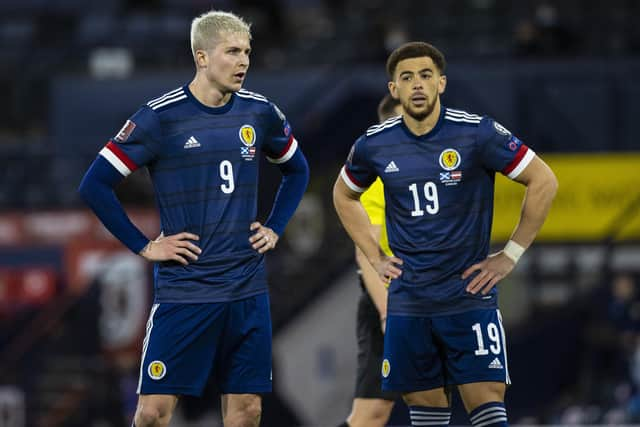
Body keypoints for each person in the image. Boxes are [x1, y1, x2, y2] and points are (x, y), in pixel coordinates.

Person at [78, 10, 309, 427]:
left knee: (248, 410)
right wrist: (145, 245)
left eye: (247, 52)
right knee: (152, 413)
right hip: (187, 289)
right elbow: (94, 185)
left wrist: (275, 226)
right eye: (232, 52)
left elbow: (298, 169)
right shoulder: (159, 118)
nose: (243, 62)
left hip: (245, 287)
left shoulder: (260, 113)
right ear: (202, 57)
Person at [333, 41, 558, 427]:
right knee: (424, 413)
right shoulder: (373, 145)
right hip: (410, 302)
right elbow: (342, 194)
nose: (417, 84)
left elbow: (544, 180)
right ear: (394, 90)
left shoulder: (477, 133)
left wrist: (511, 255)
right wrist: (374, 256)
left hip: (467, 296)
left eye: (425, 75)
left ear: (441, 83)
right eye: (406, 77)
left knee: (487, 407)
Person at [338, 94, 402, 427]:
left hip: (439, 295)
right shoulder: (378, 177)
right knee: (372, 413)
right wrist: (387, 313)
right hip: (393, 296)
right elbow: (366, 249)